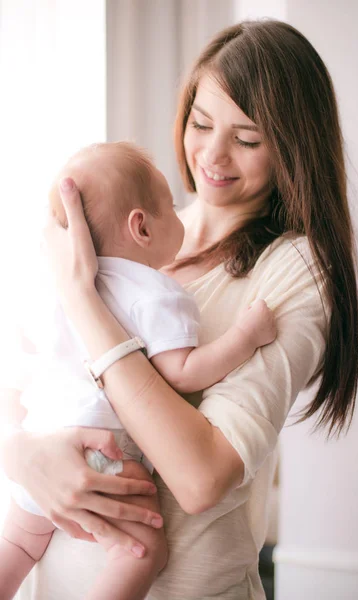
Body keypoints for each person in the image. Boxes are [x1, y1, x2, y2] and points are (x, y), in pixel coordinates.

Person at [0, 19, 358, 600]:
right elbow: (23, 377)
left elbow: (199, 479)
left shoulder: (294, 269)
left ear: (294, 148)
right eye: (201, 123)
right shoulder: (142, 232)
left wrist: (81, 297)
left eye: (247, 139)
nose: (212, 156)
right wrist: (21, 454)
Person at [0, 141, 276, 600]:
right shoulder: (155, 292)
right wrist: (246, 337)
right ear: (142, 228)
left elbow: (27, 352)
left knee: (16, 541)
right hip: (100, 450)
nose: (180, 216)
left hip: (43, 445)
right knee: (141, 550)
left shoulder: (60, 282)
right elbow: (184, 372)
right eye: (170, 208)